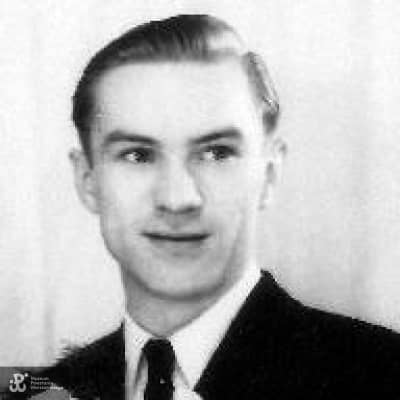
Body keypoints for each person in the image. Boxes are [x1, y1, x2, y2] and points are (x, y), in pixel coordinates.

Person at [21, 13, 400, 400]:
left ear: (269, 173)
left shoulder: (384, 378)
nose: (177, 199)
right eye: (137, 155)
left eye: (216, 153)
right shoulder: (44, 391)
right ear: (87, 179)